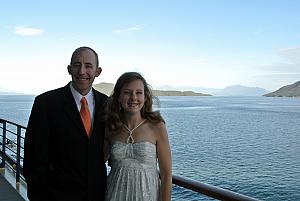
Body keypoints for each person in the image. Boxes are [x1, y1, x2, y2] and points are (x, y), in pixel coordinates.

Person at [23, 46, 108, 201]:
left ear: (98, 71)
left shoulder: (107, 104)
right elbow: (33, 159)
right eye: (77, 65)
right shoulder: (46, 103)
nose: (82, 71)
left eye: (88, 66)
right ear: (69, 69)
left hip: (98, 195)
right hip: (56, 196)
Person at [104, 72, 172, 201]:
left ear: (145, 97)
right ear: (118, 97)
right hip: (114, 194)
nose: (133, 97)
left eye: (139, 92)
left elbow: (166, 175)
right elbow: (97, 162)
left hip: (148, 195)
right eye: (127, 92)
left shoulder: (157, 126)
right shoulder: (111, 127)